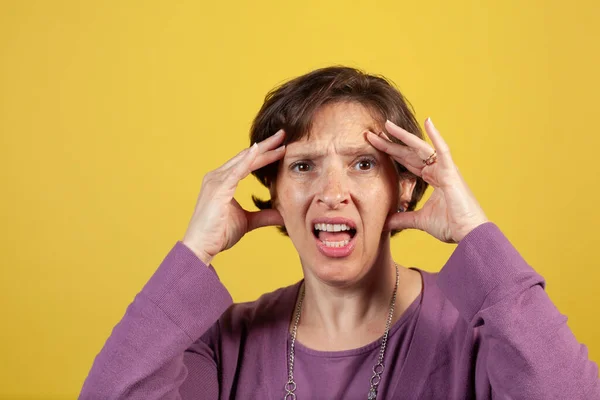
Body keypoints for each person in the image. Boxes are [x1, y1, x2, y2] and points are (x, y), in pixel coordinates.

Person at [80, 67, 600, 399]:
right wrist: (195, 251)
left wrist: (474, 233)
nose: (333, 191)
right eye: (304, 166)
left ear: (405, 186)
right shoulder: (222, 347)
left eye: (363, 165)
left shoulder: (485, 331)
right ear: (275, 192)